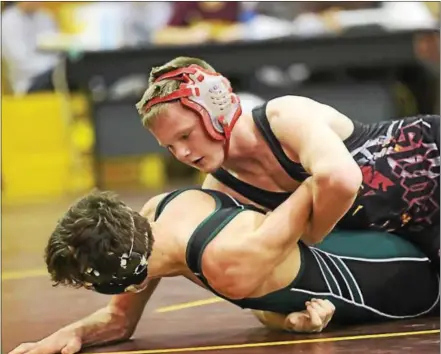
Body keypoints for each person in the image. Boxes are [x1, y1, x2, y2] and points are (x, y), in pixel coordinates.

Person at [5, 182, 439, 354]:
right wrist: (77, 332)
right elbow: (120, 319)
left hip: (410, 281)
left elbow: (324, 182)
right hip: (381, 245)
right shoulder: (160, 209)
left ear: (132, 277)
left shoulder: (230, 260)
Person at [135, 56, 440, 269]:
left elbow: (342, 179)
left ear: (214, 108)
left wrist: (311, 234)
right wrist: (121, 314)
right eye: (171, 147)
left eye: (186, 135)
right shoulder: (223, 188)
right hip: (418, 232)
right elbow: (172, 242)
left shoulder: (284, 116)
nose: (183, 154)